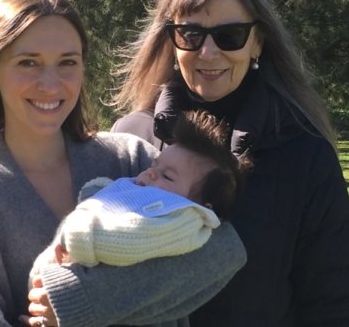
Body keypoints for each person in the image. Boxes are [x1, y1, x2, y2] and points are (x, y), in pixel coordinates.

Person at [0, 0, 247, 327]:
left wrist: (81, 300)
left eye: (67, 62)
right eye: (28, 62)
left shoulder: (132, 160)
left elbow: (223, 253)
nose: (50, 83)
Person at [110, 0, 349, 326]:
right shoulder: (131, 137)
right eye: (191, 34)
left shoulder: (302, 154)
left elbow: (335, 303)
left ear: (257, 42)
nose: (208, 52)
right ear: (172, 40)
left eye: (230, 36)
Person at [30, 110, 250, 276]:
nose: (152, 173)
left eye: (168, 176)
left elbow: (124, 241)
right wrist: (96, 191)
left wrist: (75, 239)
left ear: (201, 206)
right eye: (155, 165)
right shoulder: (149, 192)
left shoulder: (181, 221)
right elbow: (99, 192)